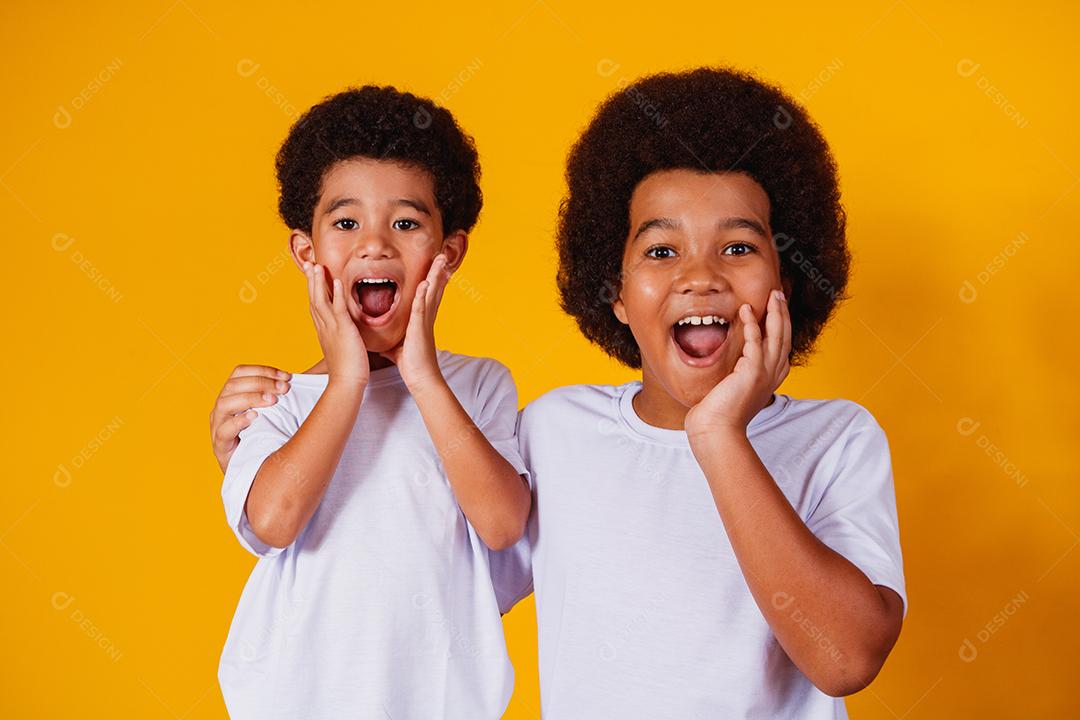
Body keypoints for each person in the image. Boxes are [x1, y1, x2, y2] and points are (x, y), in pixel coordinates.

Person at [215, 85, 530, 720]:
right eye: (346, 221)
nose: (375, 245)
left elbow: (502, 525)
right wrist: (346, 381)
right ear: (307, 253)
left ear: (448, 254)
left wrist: (422, 375)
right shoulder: (278, 399)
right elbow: (274, 521)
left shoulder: (476, 387)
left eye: (407, 224)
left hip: (444, 700)